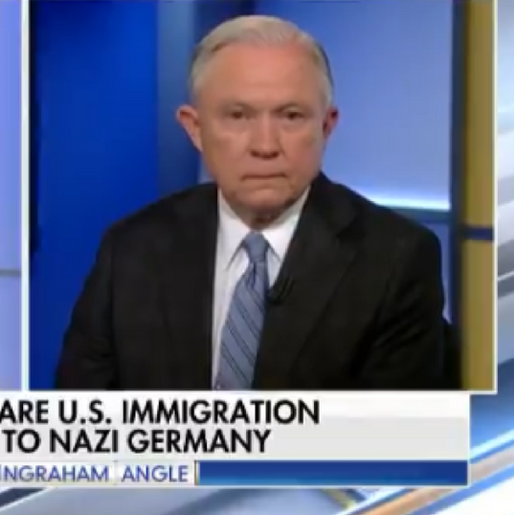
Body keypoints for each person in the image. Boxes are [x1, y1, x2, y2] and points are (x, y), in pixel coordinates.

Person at [55, 15, 447, 390]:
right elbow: (80, 419)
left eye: (291, 116)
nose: (265, 146)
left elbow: (393, 432)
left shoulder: (395, 260)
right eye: (238, 116)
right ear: (195, 129)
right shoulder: (132, 249)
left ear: (326, 127)